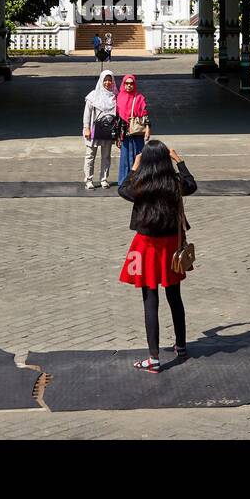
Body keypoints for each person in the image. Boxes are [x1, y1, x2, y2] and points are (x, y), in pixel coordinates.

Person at [117, 140, 197, 373]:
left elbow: (123, 189)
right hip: (171, 244)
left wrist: (134, 167)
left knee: (150, 299)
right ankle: (181, 346)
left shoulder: (141, 184)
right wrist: (179, 162)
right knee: (174, 295)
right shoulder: (174, 182)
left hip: (147, 245)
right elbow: (191, 185)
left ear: (146, 161)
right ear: (165, 159)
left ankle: (153, 358)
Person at [82, 69, 118, 189]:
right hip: (93, 130)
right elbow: (87, 114)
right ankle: (88, 180)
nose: (108, 82)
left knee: (106, 156)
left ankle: (104, 179)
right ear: (101, 80)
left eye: (110, 80)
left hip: (107, 131)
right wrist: (86, 128)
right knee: (90, 155)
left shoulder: (115, 96)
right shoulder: (93, 96)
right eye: (105, 80)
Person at [115, 73, 151, 186]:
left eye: (131, 83)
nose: (129, 86)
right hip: (124, 132)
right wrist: (116, 136)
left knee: (138, 155)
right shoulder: (119, 97)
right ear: (123, 84)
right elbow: (116, 117)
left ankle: (139, 181)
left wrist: (148, 129)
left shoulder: (139, 97)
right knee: (125, 157)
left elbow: (145, 114)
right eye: (126, 83)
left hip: (137, 131)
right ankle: (124, 182)